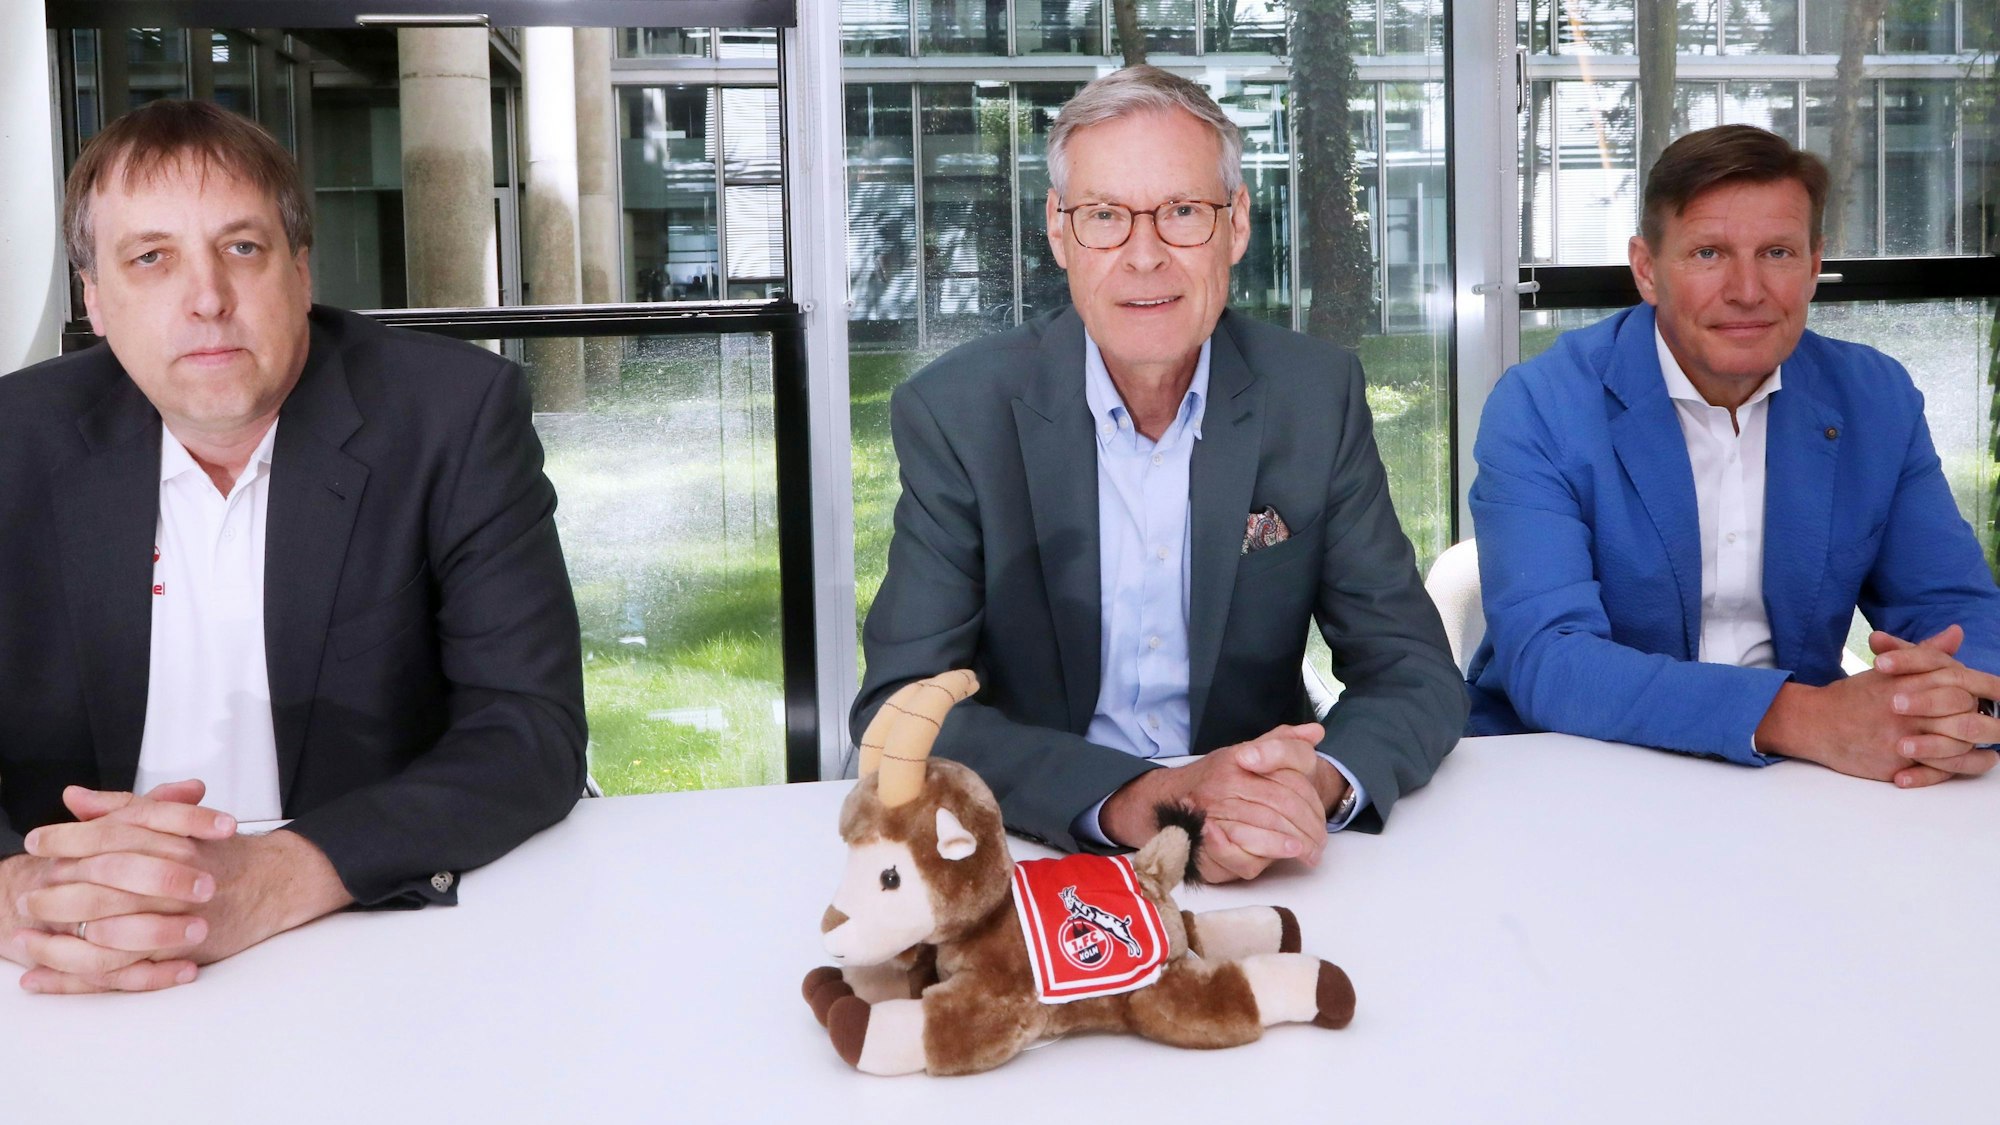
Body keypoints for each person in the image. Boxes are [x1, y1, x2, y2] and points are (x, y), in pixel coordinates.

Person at [0, 101, 587, 994]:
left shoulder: (452, 418)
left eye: (241, 247)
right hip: (71, 955)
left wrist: (275, 877)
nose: (207, 297)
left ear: (300, 268)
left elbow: (527, 727)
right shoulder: (12, 442)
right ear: (95, 300)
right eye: (150, 258)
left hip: (374, 934)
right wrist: (13, 889)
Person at [854, 67, 1465, 883]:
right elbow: (902, 712)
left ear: (1237, 225)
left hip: (1271, 854)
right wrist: (1142, 797)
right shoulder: (960, 415)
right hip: (1038, 853)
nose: (1145, 256)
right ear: (1060, 232)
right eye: (1105, 217)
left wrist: (1307, 787)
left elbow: (1412, 670)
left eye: (1182, 212)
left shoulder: (1313, 396)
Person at [1467, 124, 2000, 784]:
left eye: (1776, 252)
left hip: (1793, 783)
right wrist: (1807, 718)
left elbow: (1958, 609)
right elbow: (1551, 658)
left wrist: (1951, 707)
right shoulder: (1542, 405)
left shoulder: (1875, 399)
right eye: (1709, 253)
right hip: (1576, 770)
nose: (1748, 290)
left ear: (1813, 264)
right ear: (1646, 270)